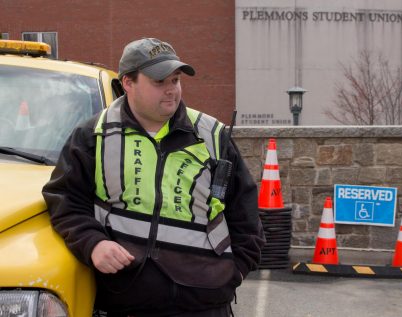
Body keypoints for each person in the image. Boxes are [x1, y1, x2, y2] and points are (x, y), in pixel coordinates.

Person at [42, 37, 265, 316]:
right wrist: (93, 243)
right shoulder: (94, 135)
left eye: (176, 80)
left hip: (205, 304)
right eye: (160, 82)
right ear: (128, 83)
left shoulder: (212, 135)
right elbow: (65, 200)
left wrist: (231, 274)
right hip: (125, 302)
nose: (171, 90)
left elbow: (245, 216)